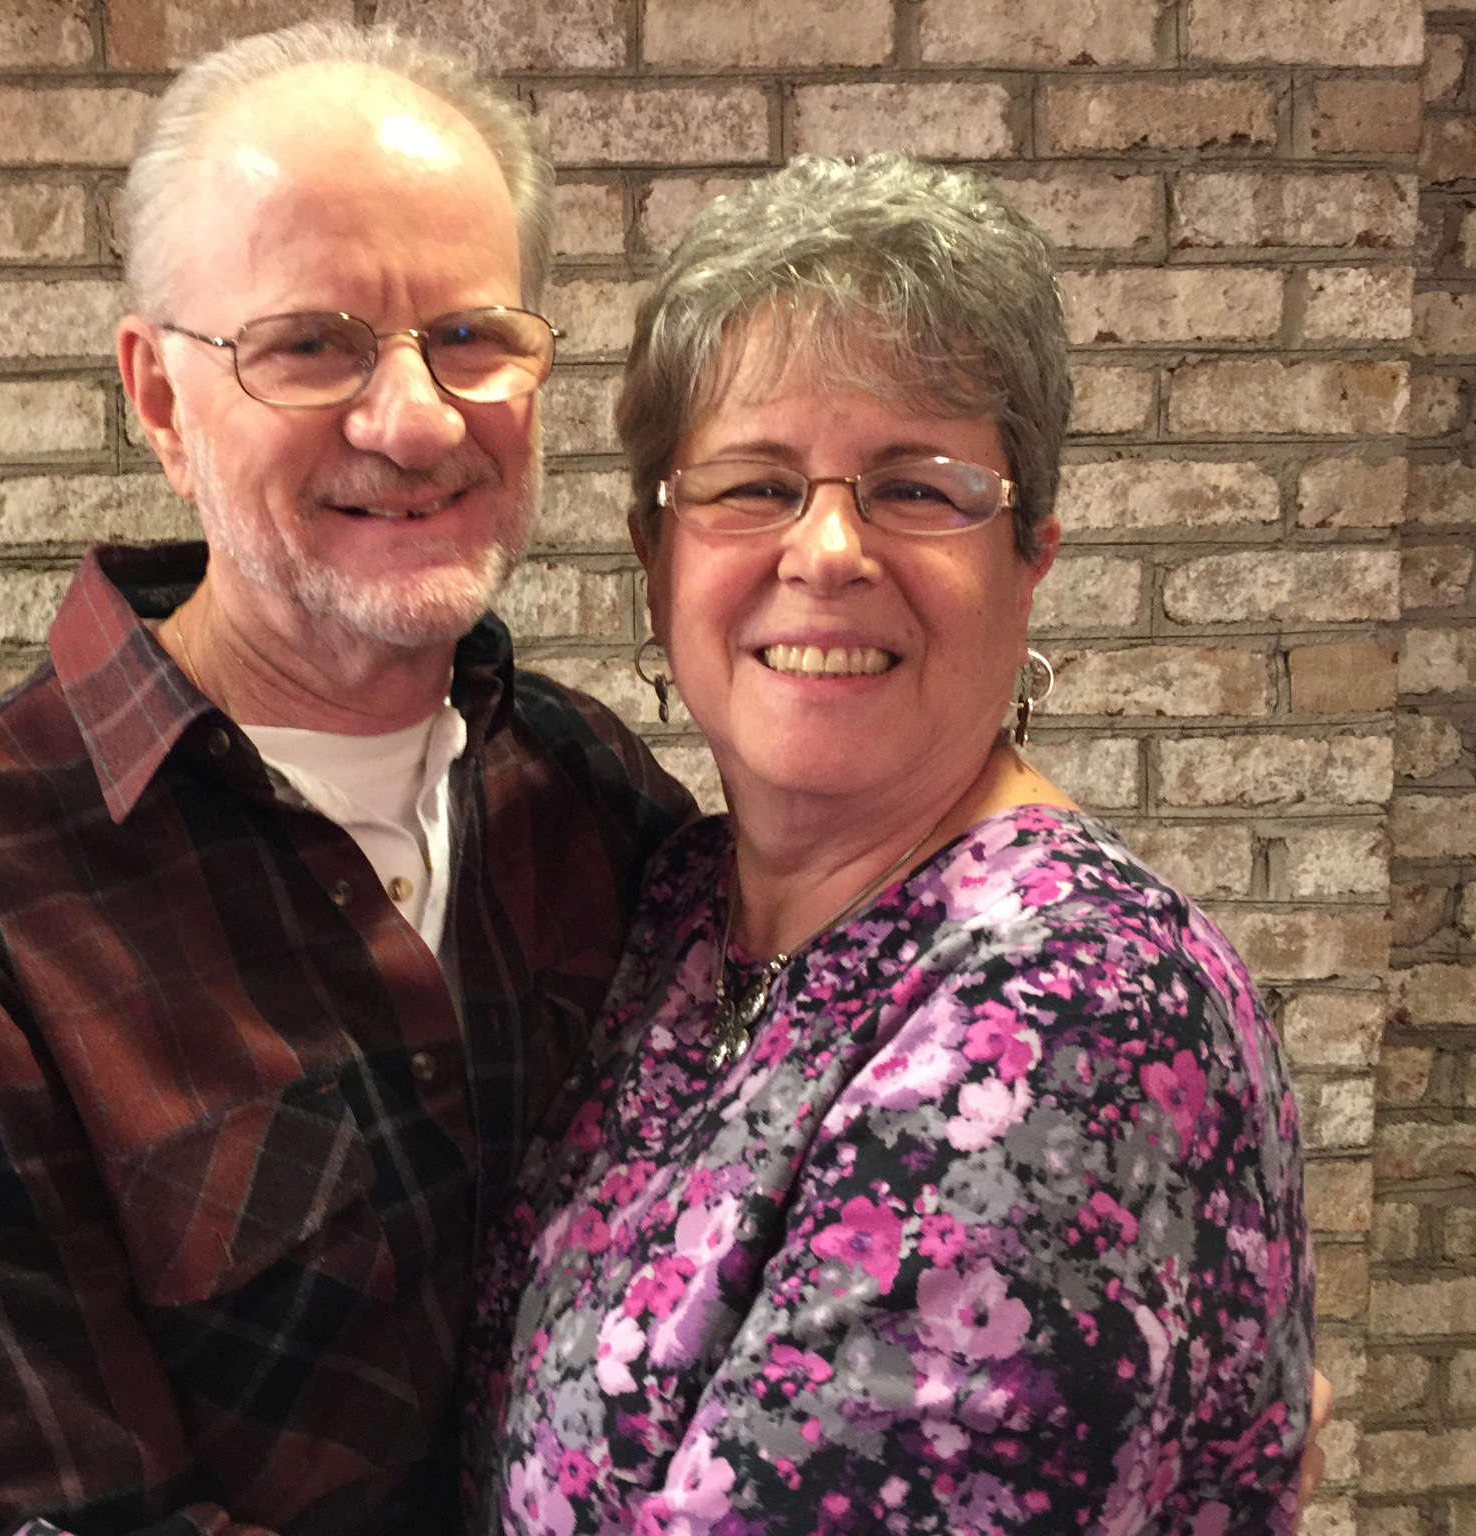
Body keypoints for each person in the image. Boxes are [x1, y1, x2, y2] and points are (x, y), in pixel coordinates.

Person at [0, 21, 691, 1536]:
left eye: (471, 336)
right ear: (157, 398)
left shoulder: (590, 792)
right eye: (310, 343)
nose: (413, 419)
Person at [457, 152, 1316, 1533]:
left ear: (1029, 551)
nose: (832, 551)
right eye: (753, 485)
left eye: (919, 488)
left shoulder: (1074, 1013)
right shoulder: (682, 905)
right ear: (652, 556)